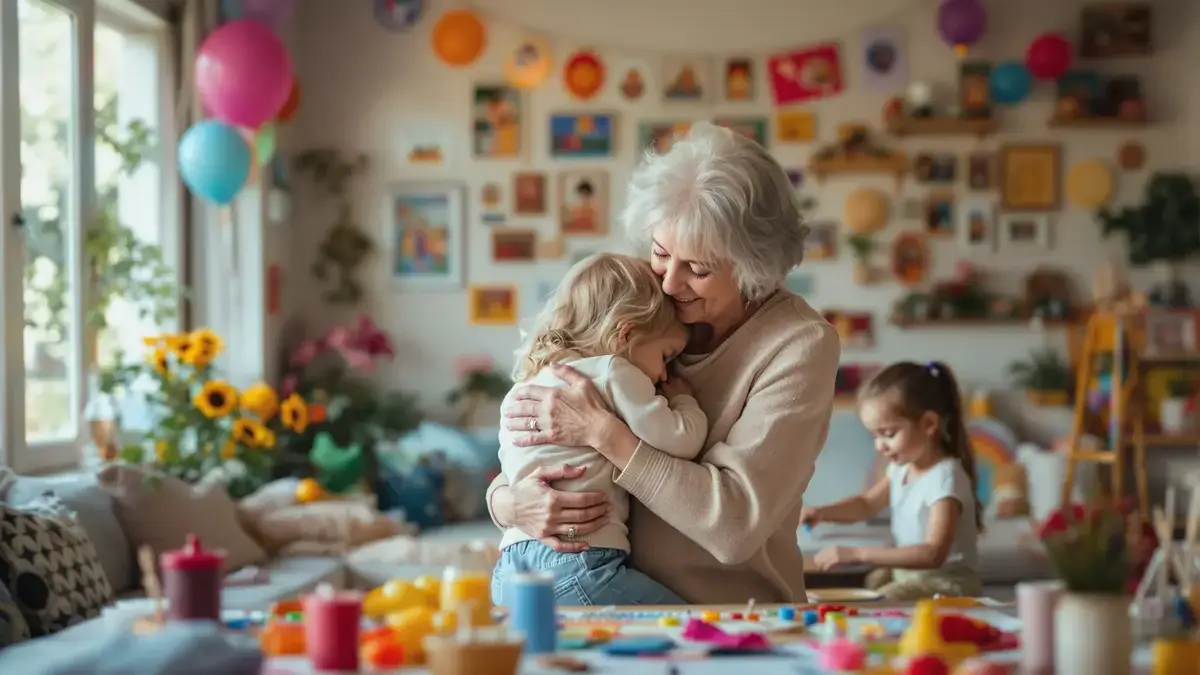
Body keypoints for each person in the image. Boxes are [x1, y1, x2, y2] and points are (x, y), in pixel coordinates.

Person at [486, 122, 841, 604]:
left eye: (698, 268)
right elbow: (533, 436)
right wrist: (508, 504)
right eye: (659, 252)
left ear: (755, 268)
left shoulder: (799, 344)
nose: (670, 283)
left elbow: (735, 525)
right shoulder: (634, 305)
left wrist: (606, 435)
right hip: (604, 609)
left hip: (732, 615)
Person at [491, 253, 708, 606]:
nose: (665, 374)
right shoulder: (613, 372)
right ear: (626, 335)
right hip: (580, 565)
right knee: (687, 625)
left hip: (510, 567)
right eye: (665, 356)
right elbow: (681, 441)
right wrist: (685, 403)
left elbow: (507, 468)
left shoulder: (525, 385)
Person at [800, 361, 984, 601]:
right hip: (911, 577)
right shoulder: (901, 469)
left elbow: (933, 554)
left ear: (929, 424)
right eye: (875, 435)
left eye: (888, 434)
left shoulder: (945, 477)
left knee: (879, 600)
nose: (880, 446)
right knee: (872, 582)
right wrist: (821, 512)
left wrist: (856, 554)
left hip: (947, 583)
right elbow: (866, 504)